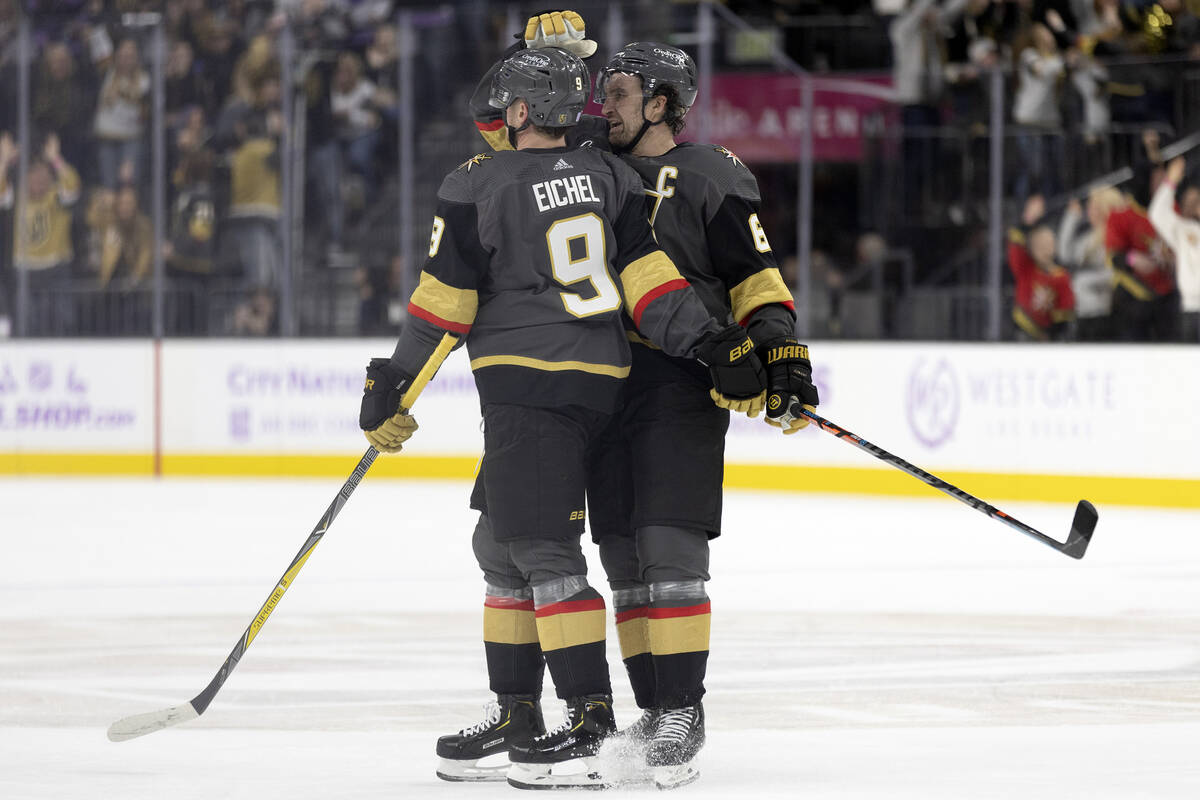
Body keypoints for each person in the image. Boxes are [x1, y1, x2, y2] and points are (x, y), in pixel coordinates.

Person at [357, 46, 765, 790]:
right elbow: (650, 284)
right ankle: (518, 709)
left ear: (514, 114)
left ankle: (586, 721)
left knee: (541, 551)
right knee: (501, 541)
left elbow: (443, 306)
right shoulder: (606, 174)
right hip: (596, 382)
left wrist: (394, 382)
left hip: (528, 383)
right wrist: (714, 342)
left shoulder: (477, 184)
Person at [465, 18, 819, 790]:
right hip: (599, 383)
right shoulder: (589, 161)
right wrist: (539, 55)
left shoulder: (712, 173)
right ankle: (651, 711)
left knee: (667, 550)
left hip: (680, 383)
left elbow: (756, 276)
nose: (603, 105)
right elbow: (499, 125)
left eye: (619, 93)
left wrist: (779, 349)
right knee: (620, 556)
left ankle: (681, 713)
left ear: (661, 104)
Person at [1008, 196, 1075, 341]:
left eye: (1048, 244)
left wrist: (1052, 334)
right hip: (1023, 332)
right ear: (1031, 248)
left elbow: (1065, 309)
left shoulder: (1062, 276)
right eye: (1039, 245)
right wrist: (1028, 220)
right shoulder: (1026, 269)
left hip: (1050, 337)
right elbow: (1015, 244)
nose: (1044, 248)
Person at [1148, 157, 1200, 342]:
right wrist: (1170, 182)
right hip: (1191, 311)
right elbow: (1157, 214)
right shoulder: (1185, 230)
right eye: (1191, 201)